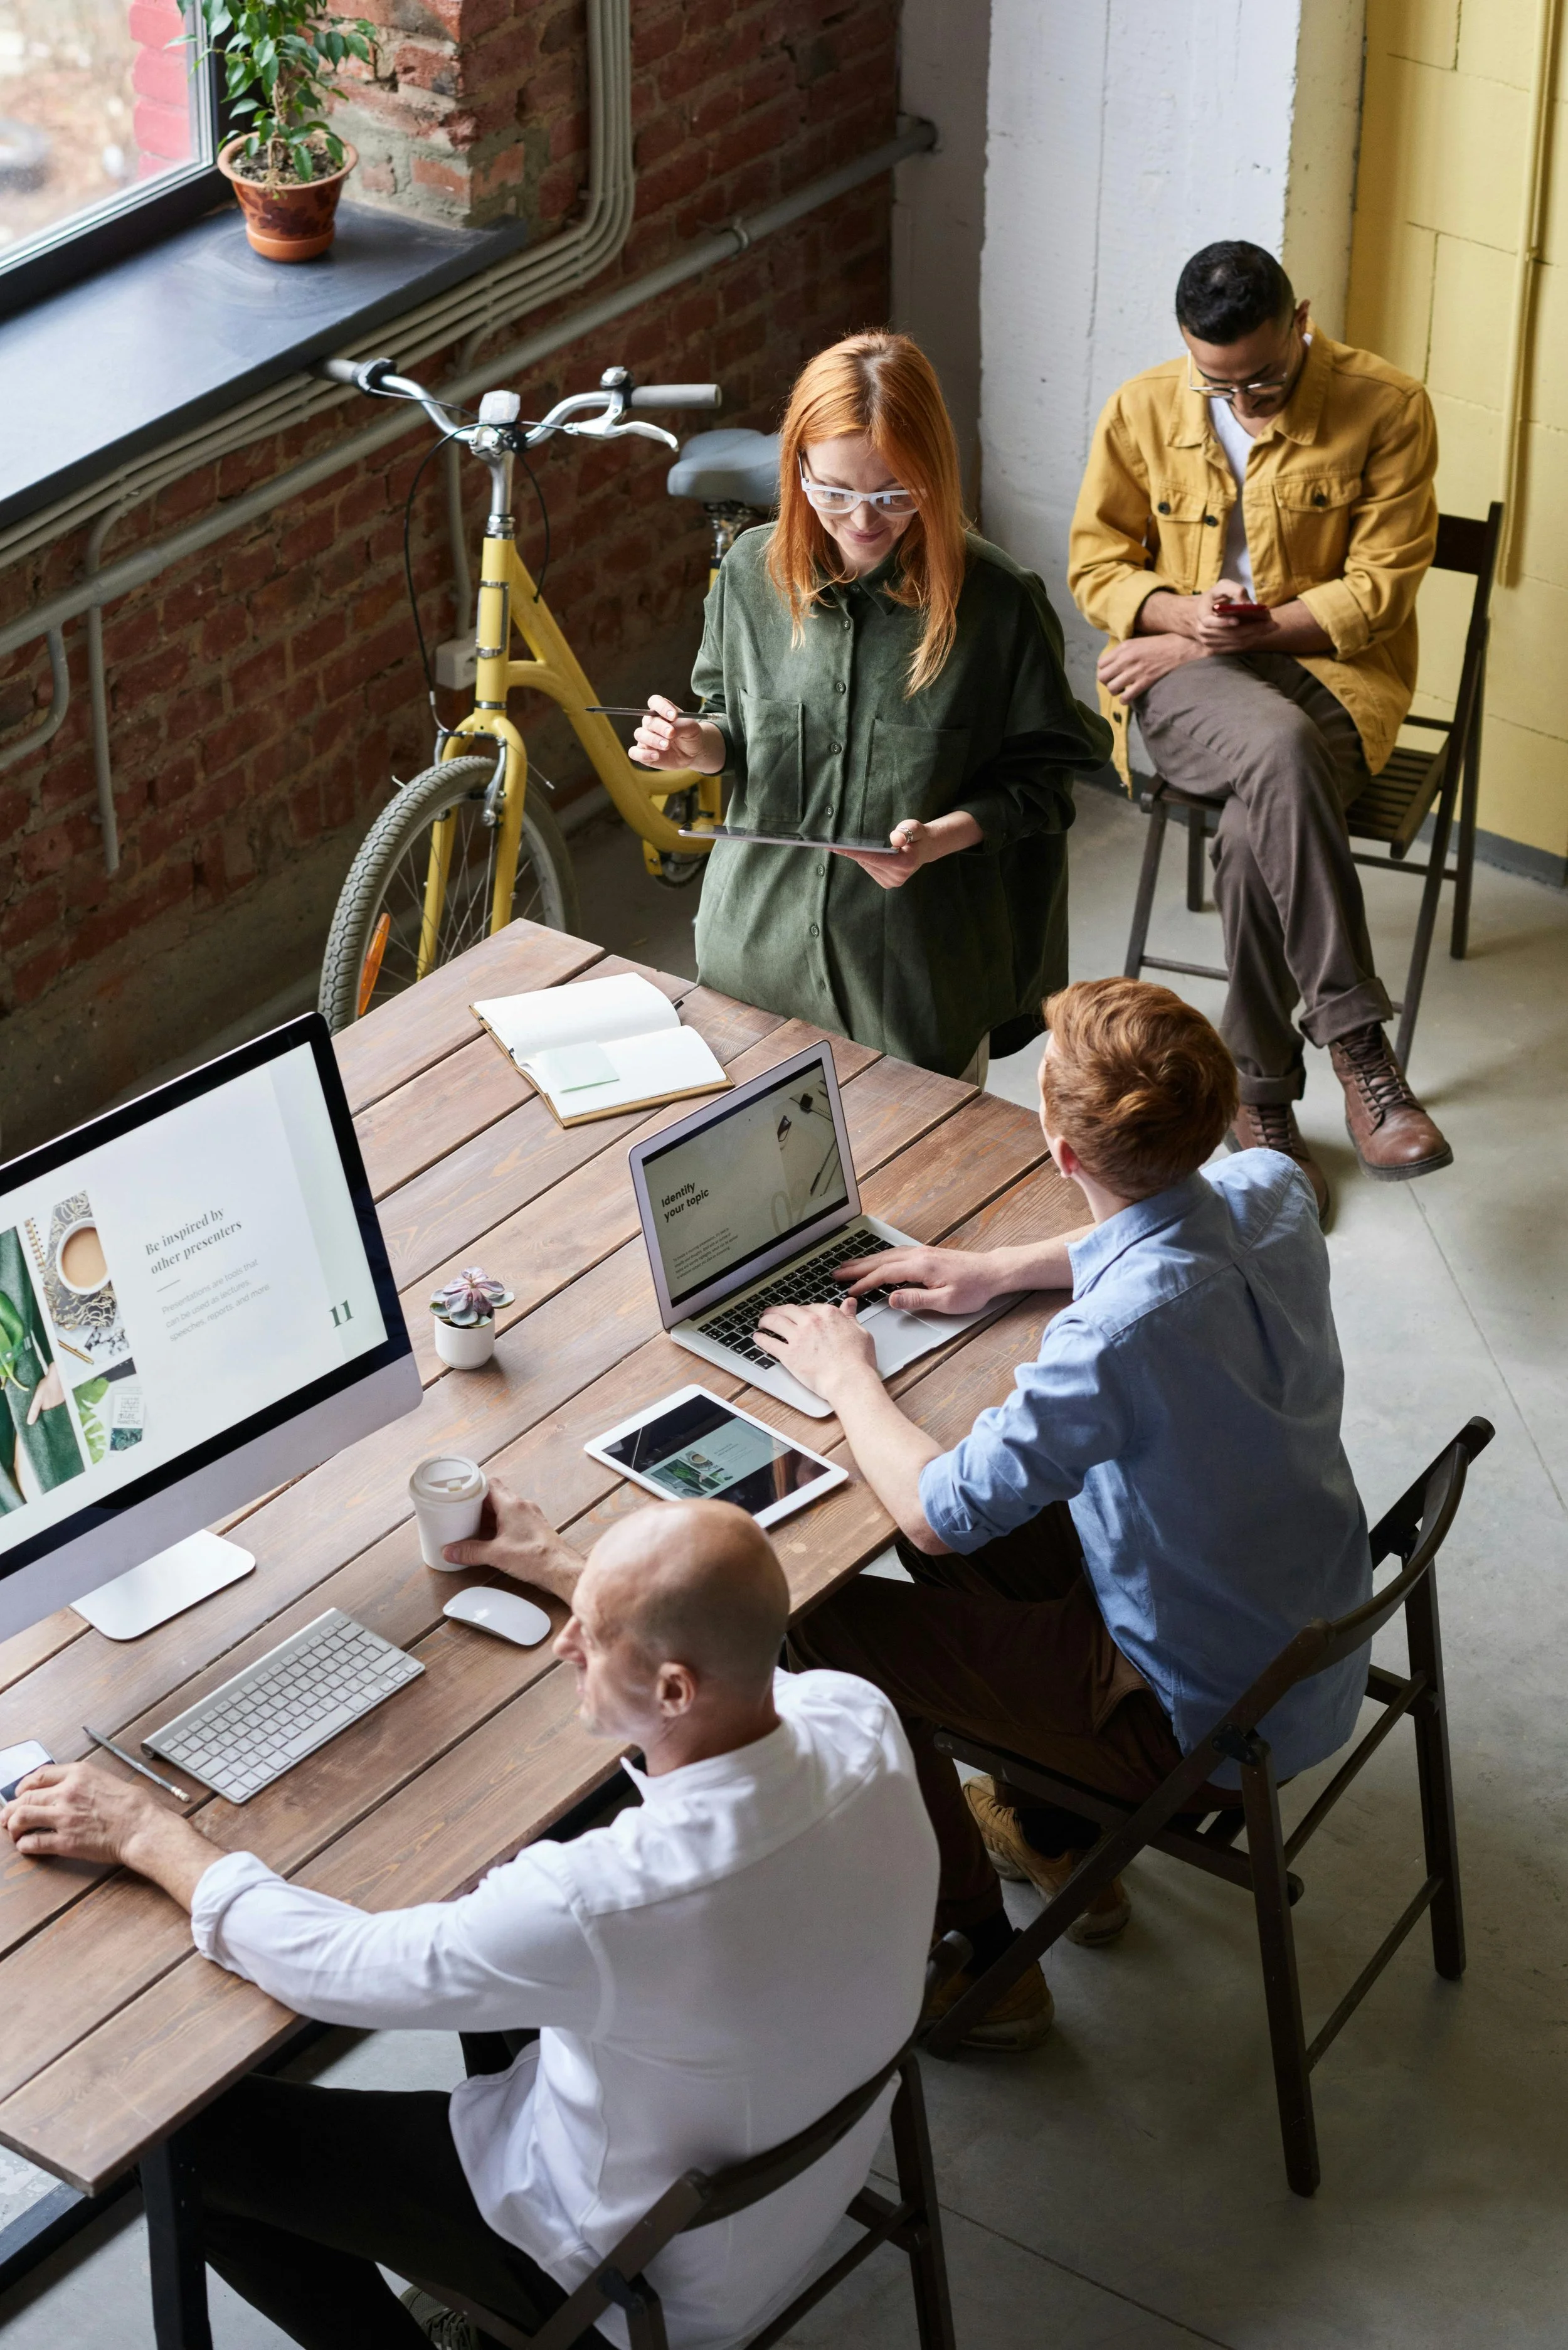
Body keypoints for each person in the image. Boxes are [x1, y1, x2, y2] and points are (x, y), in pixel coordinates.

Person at [3, 1496, 938, 2350]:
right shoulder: (858, 1715)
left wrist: (143, 1830)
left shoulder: (603, 1900)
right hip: (790, 2184)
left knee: (194, 2145)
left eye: (596, 1634)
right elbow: (732, 1649)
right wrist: (572, 1568)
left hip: (632, 2278)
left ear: (674, 1693)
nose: (568, 1641)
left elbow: (341, 1967)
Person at [761, 978, 1374, 2051]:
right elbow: (1192, 1222)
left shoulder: (1115, 1341)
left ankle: (978, 1967)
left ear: (1063, 1154)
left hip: (1205, 1725)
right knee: (1011, 1510)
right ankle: (1056, 1835)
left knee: (820, 1616)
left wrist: (844, 1370)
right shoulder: (1279, 1186)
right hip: (1309, 1648)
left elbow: (937, 1514)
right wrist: (996, 1271)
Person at [1069, 239, 1452, 1217]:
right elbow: (1097, 564)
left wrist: (1213, 641)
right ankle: (1361, 1043)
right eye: (1221, 382)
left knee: (1254, 833)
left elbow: (1378, 590)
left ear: (1303, 317)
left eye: (1268, 374)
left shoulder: (1389, 407)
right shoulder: (1143, 407)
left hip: (1336, 679)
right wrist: (1176, 617)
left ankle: (1263, 1100)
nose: (1248, 397)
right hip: (1189, 693)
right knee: (1274, 754)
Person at [632, 329, 1112, 1082]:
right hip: (751, 959)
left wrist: (942, 837)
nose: (862, 521)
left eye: (894, 494)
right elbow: (731, 715)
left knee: (913, 1192)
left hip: (911, 983)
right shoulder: (751, 574)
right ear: (796, 469)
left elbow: (1045, 781)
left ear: (936, 475)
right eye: (833, 492)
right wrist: (701, 744)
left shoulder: (999, 606)